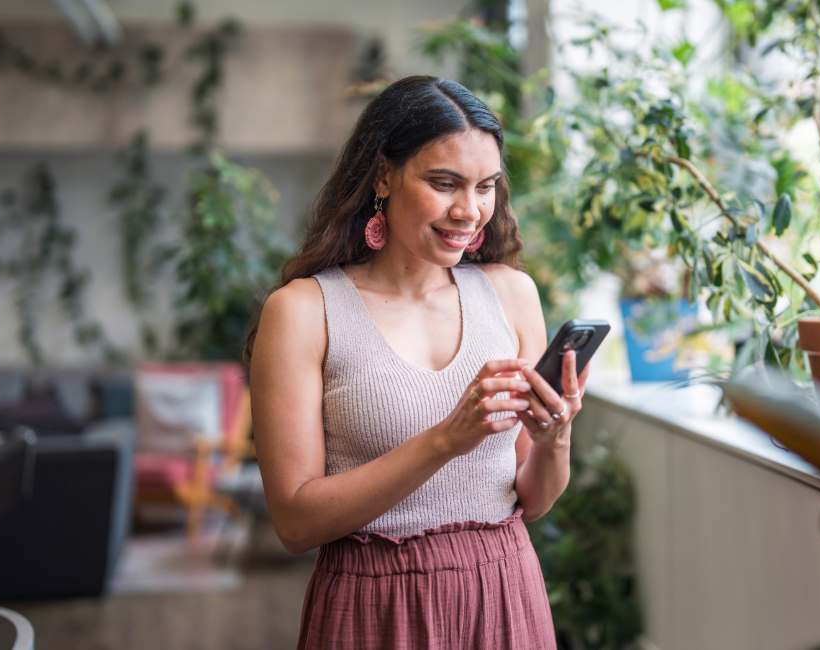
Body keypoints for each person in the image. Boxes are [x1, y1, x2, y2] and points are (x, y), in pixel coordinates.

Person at [244, 75, 590, 649]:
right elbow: (296, 523)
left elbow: (532, 500)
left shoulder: (511, 294)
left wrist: (555, 437)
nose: (470, 211)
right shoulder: (304, 312)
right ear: (383, 175)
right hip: (372, 605)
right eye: (444, 183)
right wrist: (446, 438)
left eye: (486, 187)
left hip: (504, 590)